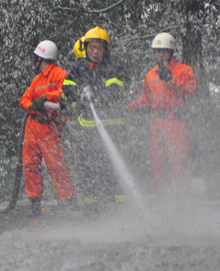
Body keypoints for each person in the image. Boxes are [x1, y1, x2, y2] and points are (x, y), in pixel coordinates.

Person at [63, 26, 130, 210]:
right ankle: (91, 210)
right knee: (87, 170)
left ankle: (118, 210)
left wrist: (97, 96)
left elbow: (117, 89)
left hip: (112, 129)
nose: (95, 52)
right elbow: (67, 85)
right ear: (86, 48)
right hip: (87, 131)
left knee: (112, 170)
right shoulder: (79, 67)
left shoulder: (114, 66)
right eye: (91, 48)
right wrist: (77, 95)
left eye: (99, 48)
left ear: (105, 50)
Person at [127, 32, 197, 197]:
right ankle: (163, 202)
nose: (160, 55)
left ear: (171, 51)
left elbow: (191, 92)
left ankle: (183, 202)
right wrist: (127, 108)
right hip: (156, 124)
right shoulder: (151, 75)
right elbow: (146, 101)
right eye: (157, 51)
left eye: (163, 51)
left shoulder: (184, 70)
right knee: (157, 166)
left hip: (176, 123)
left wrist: (172, 81)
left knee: (178, 164)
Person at [20, 40, 76, 216]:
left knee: (56, 166)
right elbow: (24, 100)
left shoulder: (60, 75)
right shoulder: (36, 80)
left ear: (40, 58)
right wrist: (32, 106)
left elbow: (66, 93)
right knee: (30, 166)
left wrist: (45, 98)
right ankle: (35, 205)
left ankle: (70, 202)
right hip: (33, 126)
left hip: (50, 127)